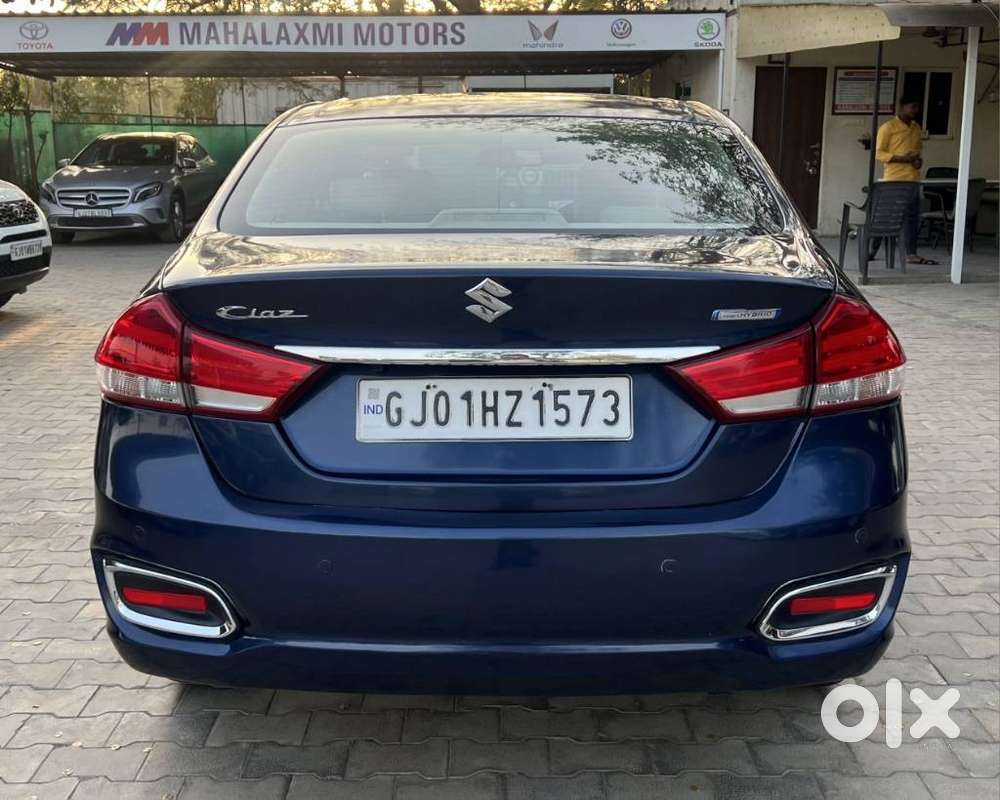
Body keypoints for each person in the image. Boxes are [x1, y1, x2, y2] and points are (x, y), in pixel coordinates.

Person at [875, 96, 938, 265]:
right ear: (902, 107)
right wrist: (902, 159)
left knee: (912, 217)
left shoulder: (916, 128)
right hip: (894, 179)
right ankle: (871, 251)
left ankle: (911, 254)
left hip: (912, 179)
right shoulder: (889, 127)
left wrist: (917, 161)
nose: (915, 111)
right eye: (912, 107)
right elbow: (879, 153)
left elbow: (917, 153)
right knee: (887, 217)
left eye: (917, 107)